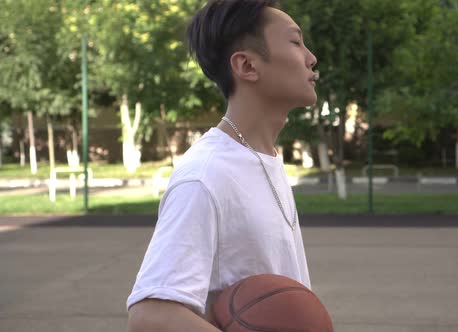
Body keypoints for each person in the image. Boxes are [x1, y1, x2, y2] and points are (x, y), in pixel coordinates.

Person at [126, 0, 318, 331]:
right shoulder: (206, 175)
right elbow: (151, 316)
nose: (311, 57)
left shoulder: (262, 157)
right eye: (295, 41)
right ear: (246, 66)